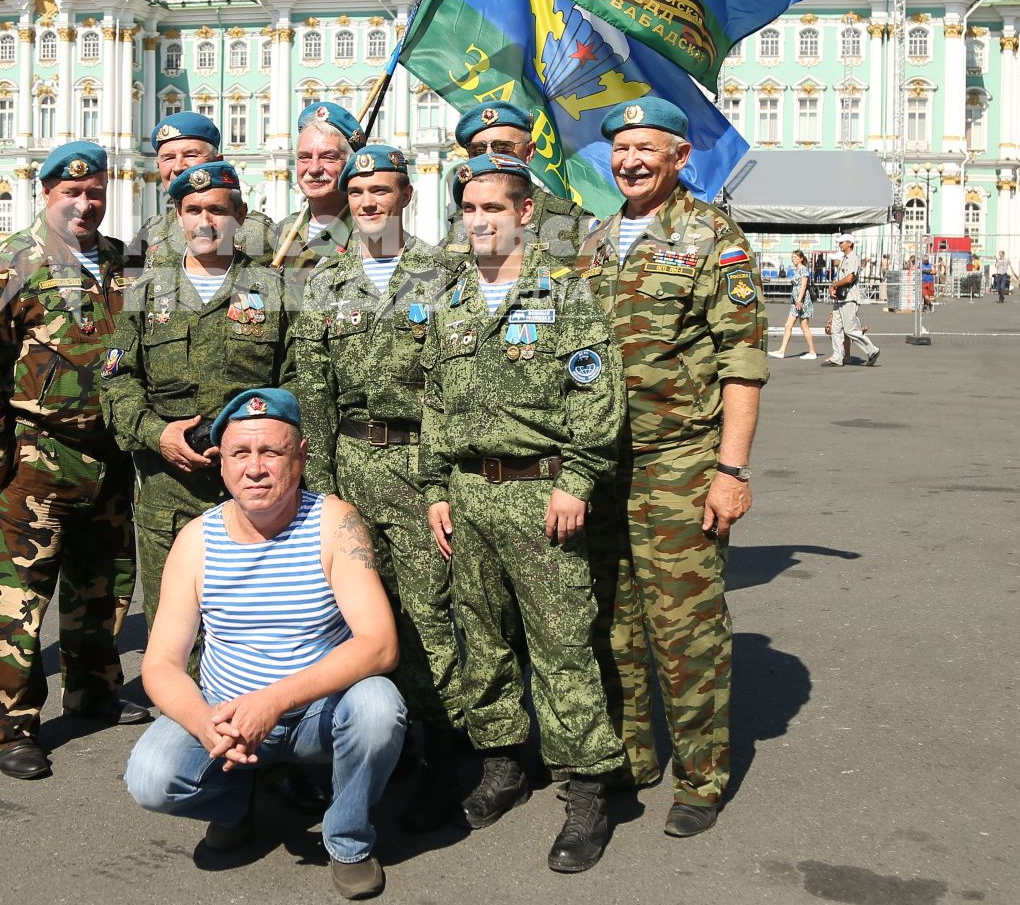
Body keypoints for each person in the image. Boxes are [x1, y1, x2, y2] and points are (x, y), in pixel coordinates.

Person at [419, 153, 628, 874]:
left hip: (542, 495)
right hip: (469, 495)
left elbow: (596, 393)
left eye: (494, 208)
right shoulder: (451, 301)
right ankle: (504, 762)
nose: (480, 220)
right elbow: (436, 403)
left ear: (524, 213)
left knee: (563, 643)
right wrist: (437, 487)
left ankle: (589, 787)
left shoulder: (563, 294)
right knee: (482, 636)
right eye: (470, 208)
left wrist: (578, 478)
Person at [124, 389, 407, 901]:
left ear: (299, 458)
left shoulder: (334, 524)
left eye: (271, 453)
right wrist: (205, 725)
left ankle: (347, 839)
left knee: (379, 709)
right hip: (226, 715)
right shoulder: (196, 541)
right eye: (240, 454)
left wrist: (272, 702)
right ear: (222, 463)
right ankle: (235, 804)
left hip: (316, 715)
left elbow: (380, 645)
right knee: (150, 777)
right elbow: (162, 662)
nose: (255, 468)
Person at [575, 99, 767, 838]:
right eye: (620, 149)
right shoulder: (595, 241)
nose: (628, 161)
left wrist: (731, 470)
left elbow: (742, 364)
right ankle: (632, 756)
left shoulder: (711, 238)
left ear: (679, 157)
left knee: (685, 630)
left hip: (681, 463)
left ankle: (702, 776)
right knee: (615, 626)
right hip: (602, 469)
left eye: (644, 148)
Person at [0, 141, 150, 781]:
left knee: (105, 584)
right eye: (72, 193)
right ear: (46, 195)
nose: (85, 204)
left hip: (109, 455)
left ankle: (94, 688)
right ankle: (11, 725)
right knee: (19, 597)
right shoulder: (12, 262)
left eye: (95, 192)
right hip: (38, 457)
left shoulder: (123, 260)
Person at [295, 145, 464, 831]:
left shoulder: (444, 271)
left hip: (423, 465)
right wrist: (322, 492)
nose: (368, 202)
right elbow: (312, 388)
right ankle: (364, 749)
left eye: (381, 191)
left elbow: (457, 381)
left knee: (431, 614)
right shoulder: (323, 280)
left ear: (406, 196)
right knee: (350, 617)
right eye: (358, 191)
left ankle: (442, 753)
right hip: (350, 463)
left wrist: (442, 479)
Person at [107, 160, 294, 627]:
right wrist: (155, 433)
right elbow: (116, 378)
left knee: (258, 619)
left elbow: (299, 381)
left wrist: (257, 441)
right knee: (175, 624)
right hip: (169, 490)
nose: (204, 222)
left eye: (217, 210)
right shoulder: (148, 291)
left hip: (256, 488)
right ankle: (181, 705)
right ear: (177, 217)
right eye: (192, 210)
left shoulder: (274, 289)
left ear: (241, 216)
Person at [442, 103, 586, 263]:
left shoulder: (570, 220)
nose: (490, 157)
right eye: (478, 151)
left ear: (529, 152)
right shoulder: (460, 223)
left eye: (503, 148)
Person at [129, 112, 276, 269]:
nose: (178, 167)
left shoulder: (258, 231)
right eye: (168, 158)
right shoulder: (151, 232)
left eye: (190, 155)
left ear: (217, 161)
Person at [271, 103, 366, 284]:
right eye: (304, 157)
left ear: (350, 164)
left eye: (328, 157)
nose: (314, 168)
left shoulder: (368, 235)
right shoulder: (283, 230)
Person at [824, 235, 881, 367]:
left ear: (850, 243)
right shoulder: (844, 258)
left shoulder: (853, 258)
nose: (840, 245)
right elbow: (842, 278)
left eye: (842, 242)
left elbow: (849, 278)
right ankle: (837, 357)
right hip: (840, 298)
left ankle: (872, 350)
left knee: (850, 330)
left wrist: (835, 285)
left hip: (849, 298)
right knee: (835, 328)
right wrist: (834, 287)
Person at [770, 249, 818, 360]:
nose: (793, 259)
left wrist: (799, 300)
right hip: (795, 302)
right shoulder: (796, 270)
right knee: (788, 325)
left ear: (801, 258)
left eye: (795, 257)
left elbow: (804, 285)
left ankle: (812, 352)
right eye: (792, 257)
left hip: (802, 301)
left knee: (804, 327)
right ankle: (781, 351)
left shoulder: (803, 269)